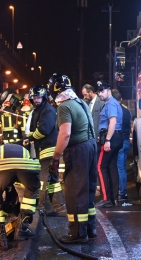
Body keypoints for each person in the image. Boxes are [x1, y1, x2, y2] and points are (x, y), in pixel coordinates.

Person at [48, 73, 97, 244]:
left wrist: (55, 158)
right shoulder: (80, 102)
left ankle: (77, 233)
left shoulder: (64, 107)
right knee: (88, 190)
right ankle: (90, 229)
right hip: (91, 146)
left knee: (75, 192)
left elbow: (65, 133)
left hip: (78, 150)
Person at [0, 143, 41, 251]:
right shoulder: (22, 149)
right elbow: (19, 175)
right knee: (30, 192)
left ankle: (0, 239)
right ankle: (22, 230)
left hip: (4, 167)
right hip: (28, 166)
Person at [23, 85, 65, 215]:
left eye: (39, 97)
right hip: (44, 149)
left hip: (49, 150)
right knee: (53, 180)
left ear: (44, 96)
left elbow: (44, 130)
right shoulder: (38, 110)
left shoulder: (48, 110)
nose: (36, 99)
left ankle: (40, 206)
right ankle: (58, 206)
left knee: (42, 179)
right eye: (34, 97)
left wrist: (31, 137)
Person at [96, 81, 124, 208]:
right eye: (99, 91)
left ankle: (106, 198)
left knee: (100, 166)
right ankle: (114, 198)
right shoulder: (111, 103)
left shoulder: (111, 103)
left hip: (111, 138)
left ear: (109, 91)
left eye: (102, 91)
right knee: (112, 167)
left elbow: (112, 122)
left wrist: (107, 140)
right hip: (116, 137)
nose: (100, 93)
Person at [112, 88, 131, 201]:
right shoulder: (127, 110)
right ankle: (122, 192)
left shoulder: (115, 110)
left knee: (118, 168)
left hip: (118, 141)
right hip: (126, 141)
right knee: (122, 168)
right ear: (121, 99)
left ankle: (120, 192)